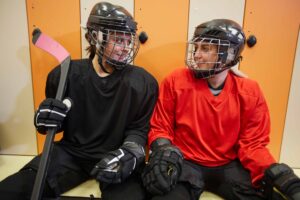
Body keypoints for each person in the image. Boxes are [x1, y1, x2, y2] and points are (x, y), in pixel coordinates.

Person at [0, 2, 158, 200]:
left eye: (129, 41)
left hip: (117, 156)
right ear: (95, 37)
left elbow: (138, 130)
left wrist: (130, 153)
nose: (125, 48)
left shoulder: (143, 82)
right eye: (118, 40)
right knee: (12, 190)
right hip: (70, 154)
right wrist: (44, 118)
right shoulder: (64, 74)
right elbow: (55, 124)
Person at [142, 19, 300, 200]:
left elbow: (253, 144)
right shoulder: (176, 80)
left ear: (230, 53)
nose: (197, 55)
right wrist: (164, 151)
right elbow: (161, 127)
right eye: (197, 47)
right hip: (187, 162)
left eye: (206, 49)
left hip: (229, 165)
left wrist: (279, 173)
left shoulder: (249, 91)